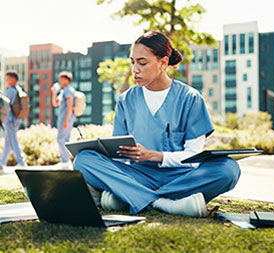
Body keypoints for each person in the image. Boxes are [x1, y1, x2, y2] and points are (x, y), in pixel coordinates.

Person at [73, 31, 241, 217]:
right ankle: (165, 203)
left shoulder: (190, 98)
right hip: (137, 175)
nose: (135, 69)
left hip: (181, 177)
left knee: (228, 169)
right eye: (132, 62)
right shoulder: (125, 100)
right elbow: (120, 155)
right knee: (84, 160)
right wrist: (97, 149)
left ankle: (127, 197)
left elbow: (194, 156)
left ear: (163, 63)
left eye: (142, 63)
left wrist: (155, 156)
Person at [0, 71, 27, 174]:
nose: (6, 81)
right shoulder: (18, 89)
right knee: (8, 143)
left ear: (13, 79)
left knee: (13, 141)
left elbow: (5, 104)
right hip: (15, 119)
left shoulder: (11, 90)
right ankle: (1, 163)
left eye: (8, 79)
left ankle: (22, 162)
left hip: (9, 119)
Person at [51, 71, 75, 170]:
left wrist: (66, 120)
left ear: (66, 80)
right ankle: (65, 161)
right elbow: (55, 104)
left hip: (66, 118)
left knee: (61, 139)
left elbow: (70, 106)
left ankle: (65, 162)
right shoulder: (63, 91)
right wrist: (54, 93)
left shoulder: (68, 91)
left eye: (61, 79)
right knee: (64, 139)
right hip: (63, 118)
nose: (59, 81)